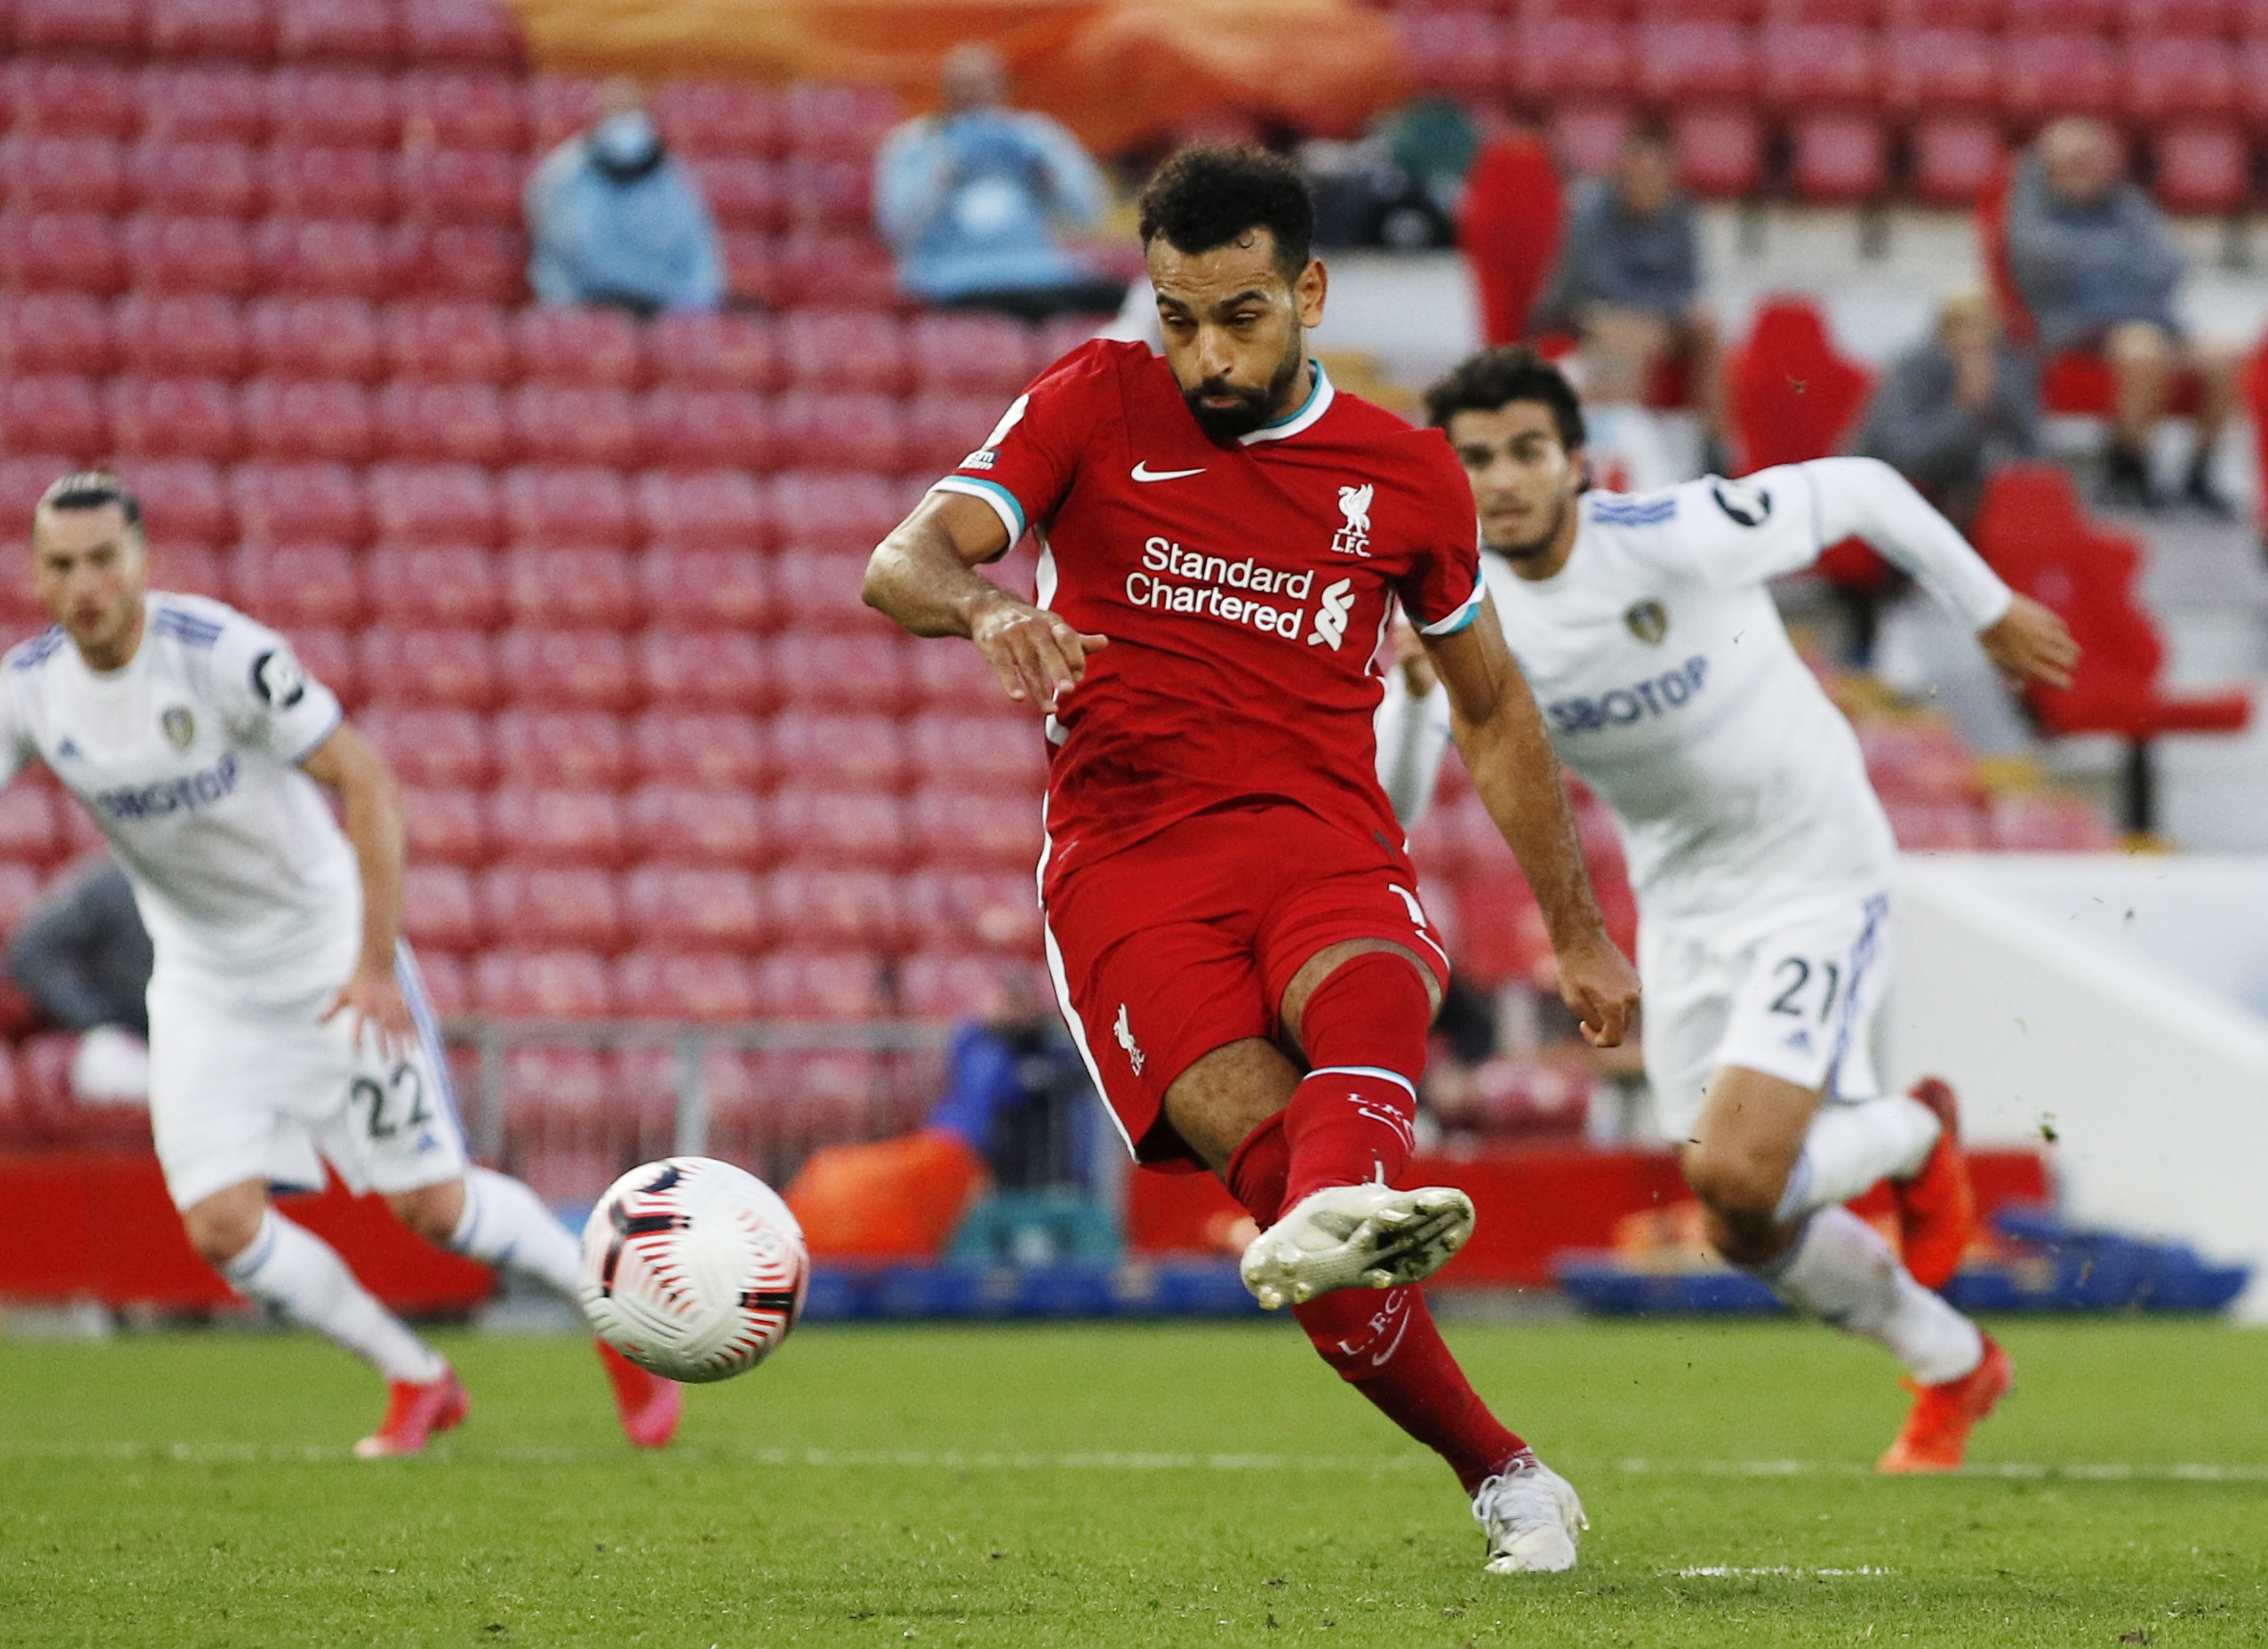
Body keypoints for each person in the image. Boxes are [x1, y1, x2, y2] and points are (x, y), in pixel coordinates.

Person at [863, 145, 1639, 1573]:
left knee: (1360, 1011)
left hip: (1319, 835)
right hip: (1125, 861)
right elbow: (900, 558)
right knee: (1308, 1224)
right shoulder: (1092, 401)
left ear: (1311, 292)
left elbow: (1491, 708)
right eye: (1177, 316)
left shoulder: (1406, 475)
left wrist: (1577, 929)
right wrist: (983, 612)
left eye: (1239, 315)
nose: (1206, 352)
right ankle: (1502, 1466)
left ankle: (1351, 1210)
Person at [0, 473, 682, 1458]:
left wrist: (373, 963)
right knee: (219, 1225)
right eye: (62, 564)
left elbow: (367, 782)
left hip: (324, 950)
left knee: (433, 1204)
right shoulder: (25, 691)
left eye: (103, 560)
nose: (86, 585)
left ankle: (614, 1320)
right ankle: (417, 1377)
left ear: (140, 562)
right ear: (37, 574)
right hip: (202, 980)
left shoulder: (221, 656)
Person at [1418, 347, 2082, 1472]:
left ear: (1575, 462)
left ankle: (1911, 1134)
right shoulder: (1461, 626)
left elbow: (1865, 487)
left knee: (1734, 1170)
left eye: (1525, 450)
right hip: (1682, 902)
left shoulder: (1670, 533)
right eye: (1472, 459)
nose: (1501, 479)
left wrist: (1984, 607)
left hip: (1814, 867)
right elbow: (1405, 769)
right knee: (1736, 1220)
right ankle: (1950, 1359)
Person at [2003, 116, 2242, 513]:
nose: (2087, 168)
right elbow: (2039, 263)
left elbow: (2170, 266)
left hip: (2154, 321)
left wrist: (2096, 264)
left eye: (2093, 158)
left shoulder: (2129, 203)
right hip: (2076, 328)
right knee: (2142, 349)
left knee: (2224, 355)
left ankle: (2198, 473)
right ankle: (2129, 464)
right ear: (2051, 164)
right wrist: (2122, 263)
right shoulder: (2031, 206)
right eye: (2076, 160)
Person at [874, 43, 1126, 322]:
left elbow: (1091, 213)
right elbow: (894, 230)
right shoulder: (914, 142)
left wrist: (1049, 176)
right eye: (962, 85)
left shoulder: (1037, 135)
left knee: (1135, 302)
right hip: (955, 277)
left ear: (1004, 86)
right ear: (945, 89)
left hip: (1039, 271)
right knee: (1027, 309)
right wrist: (938, 175)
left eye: (983, 83)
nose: (973, 93)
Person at [1532, 120, 1727, 471]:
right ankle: (1634, 460)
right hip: (1583, 311)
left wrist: (1668, 312)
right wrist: (1663, 308)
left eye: (1657, 172)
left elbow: (1690, 283)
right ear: (1622, 171)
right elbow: (1601, 285)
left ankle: (1713, 448)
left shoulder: (1681, 212)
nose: (1647, 180)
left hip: (1658, 317)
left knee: (1708, 326)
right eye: (1639, 170)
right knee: (1632, 333)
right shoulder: (1591, 211)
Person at [525, 76, 724, 315]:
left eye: (631, 113)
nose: (626, 125)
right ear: (599, 118)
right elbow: (550, 257)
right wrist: (567, 311)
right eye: (618, 113)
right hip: (589, 310)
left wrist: (686, 317)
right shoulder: (563, 174)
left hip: (658, 310)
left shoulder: (675, 178)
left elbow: (699, 260)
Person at [1854, 287, 2043, 533]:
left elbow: (2036, 452)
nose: (1970, 339)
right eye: (1959, 327)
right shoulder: (1913, 371)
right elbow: (1903, 454)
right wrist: (1964, 410)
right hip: (1898, 498)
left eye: (1981, 328)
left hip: (1973, 499)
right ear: (1942, 332)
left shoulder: (2009, 372)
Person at [4, 855, 154, 1104]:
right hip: (123, 1040)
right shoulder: (113, 883)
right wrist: (96, 1018)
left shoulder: (210, 884)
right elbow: (31, 950)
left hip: (192, 1035)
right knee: (113, 1066)